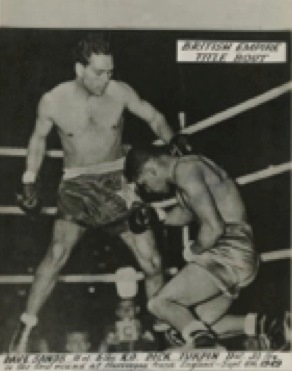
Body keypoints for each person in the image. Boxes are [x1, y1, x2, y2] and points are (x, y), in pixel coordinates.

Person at [11, 33, 190, 352]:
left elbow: (153, 117)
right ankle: (23, 332)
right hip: (77, 185)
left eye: (110, 71)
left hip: (119, 183)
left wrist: (174, 141)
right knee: (56, 255)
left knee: (151, 260)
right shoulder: (53, 100)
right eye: (98, 72)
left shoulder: (119, 92)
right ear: (80, 69)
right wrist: (29, 179)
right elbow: (37, 140)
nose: (105, 79)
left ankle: (162, 331)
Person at [124, 145, 289, 349]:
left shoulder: (186, 171)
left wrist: (193, 252)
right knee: (182, 327)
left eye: (145, 184)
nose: (148, 190)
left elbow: (214, 228)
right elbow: (187, 212)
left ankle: (206, 347)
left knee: (158, 304)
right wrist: (156, 216)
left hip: (229, 250)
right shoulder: (189, 169)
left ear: (151, 170)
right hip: (238, 254)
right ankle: (269, 324)